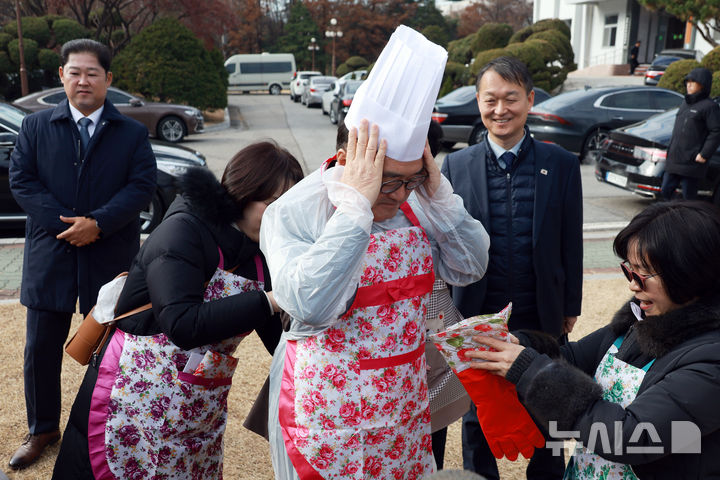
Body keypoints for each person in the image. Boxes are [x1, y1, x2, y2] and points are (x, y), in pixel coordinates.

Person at [262, 25, 490, 479]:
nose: (401, 194)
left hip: (403, 405)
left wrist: (438, 194)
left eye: (410, 179)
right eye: (389, 181)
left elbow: (470, 265)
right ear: (349, 158)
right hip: (327, 411)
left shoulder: (418, 203)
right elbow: (308, 304)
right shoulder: (296, 211)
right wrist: (356, 210)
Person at [51, 141, 304, 478]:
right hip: (134, 396)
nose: (281, 216)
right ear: (242, 194)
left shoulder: (261, 253)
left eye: (290, 206)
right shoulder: (182, 231)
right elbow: (182, 323)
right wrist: (270, 300)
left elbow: (282, 338)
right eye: (273, 204)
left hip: (198, 404)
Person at [469, 200, 720, 479]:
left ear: (690, 273)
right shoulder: (639, 322)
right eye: (630, 270)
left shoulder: (711, 360)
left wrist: (530, 370)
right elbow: (571, 358)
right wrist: (519, 345)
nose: (632, 284)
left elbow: (630, 437)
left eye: (643, 273)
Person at [7, 38, 157, 470]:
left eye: (92, 73)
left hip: (109, 254)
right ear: (62, 76)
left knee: (116, 348)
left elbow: (141, 185)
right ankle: (42, 429)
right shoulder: (36, 126)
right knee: (40, 348)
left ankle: (114, 427)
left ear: (108, 79)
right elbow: (22, 181)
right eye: (74, 72)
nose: (83, 80)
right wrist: (67, 226)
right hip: (50, 252)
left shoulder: (130, 132)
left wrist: (99, 223)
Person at [441, 56, 583, 479]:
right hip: (478, 314)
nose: (500, 109)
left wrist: (570, 305)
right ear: (479, 102)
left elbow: (570, 239)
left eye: (511, 98)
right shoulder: (457, 165)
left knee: (547, 406)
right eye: (491, 100)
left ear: (530, 100)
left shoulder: (561, 163)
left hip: (540, 311)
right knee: (478, 412)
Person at [661, 67, 720, 201]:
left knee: (689, 196)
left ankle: (687, 212)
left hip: (692, 161)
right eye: (688, 82)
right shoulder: (685, 103)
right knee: (665, 190)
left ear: (703, 85)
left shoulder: (710, 107)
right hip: (675, 159)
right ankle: (677, 210)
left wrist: (704, 154)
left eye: (693, 82)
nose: (689, 85)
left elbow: (716, 131)